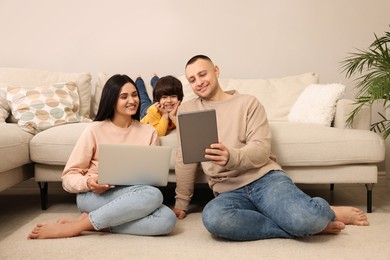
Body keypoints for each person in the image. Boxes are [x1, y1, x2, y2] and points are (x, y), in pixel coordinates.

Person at [173, 55, 369, 241]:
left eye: (202, 74)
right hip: (227, 191)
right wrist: (181, 203)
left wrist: (231, 157)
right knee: (214, 219)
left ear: (215, 71)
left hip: (264, 180)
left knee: (308, 219)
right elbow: (185, 158)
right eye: (192, 79)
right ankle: (300, 228)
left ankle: (326, 213)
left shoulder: (247, 102)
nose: (198, 82)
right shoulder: (187, 110)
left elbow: (261, 150)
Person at [28, 74, 177, 239]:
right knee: (153, 196)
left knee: (167, 219)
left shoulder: (149, 132)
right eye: (124, 96)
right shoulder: (94, 130)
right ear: (112, 100)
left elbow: (151, 178)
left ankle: (87, 225)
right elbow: (68, 176)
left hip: (136, 194)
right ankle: (74, 228)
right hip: (95, 196)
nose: (132, 100)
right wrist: (89, 183)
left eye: (135, 95)